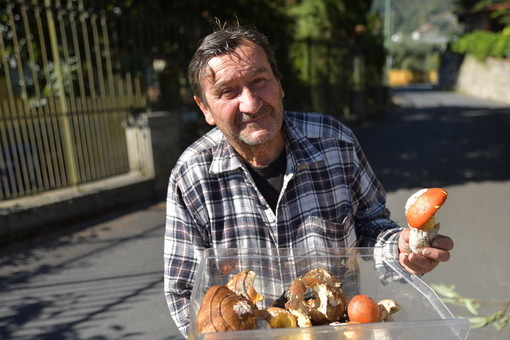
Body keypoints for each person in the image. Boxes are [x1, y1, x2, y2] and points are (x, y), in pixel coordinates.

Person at [164, 24, 454, 337]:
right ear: (205, 108)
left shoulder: (335, 143)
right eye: (228, 92)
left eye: (259, 81)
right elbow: (183, 291)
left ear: (279, 83)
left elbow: (371, 226)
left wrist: (402, 249)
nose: (250, 103)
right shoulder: (192, 175)